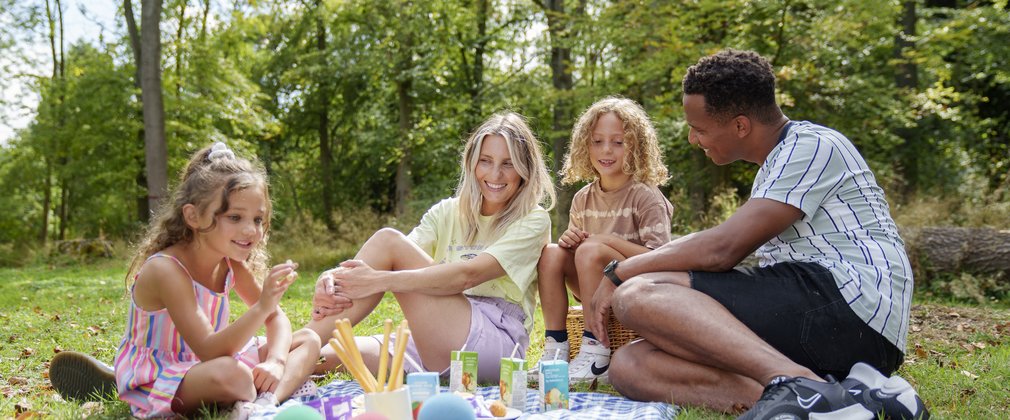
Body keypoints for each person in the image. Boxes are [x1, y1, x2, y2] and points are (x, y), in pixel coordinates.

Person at [588, 50, 928, 420]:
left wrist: (622, 273)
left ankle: (797, 382)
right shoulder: (776, 164)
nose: (692, 138)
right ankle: (839, 400)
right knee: (631, 365)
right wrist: (630, 269)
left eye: (699, 128)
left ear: (740, 126)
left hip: (852, 308)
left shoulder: (812, 146)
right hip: (814, 310)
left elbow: (722, 249)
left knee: (638, 295)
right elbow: (715, 238)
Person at [50, 142, 321, 418]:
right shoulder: (167, 270)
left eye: (258, 219)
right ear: (193, 216)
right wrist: (262, 306)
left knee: (308, 340)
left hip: (211, 364)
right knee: (233, 374)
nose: (251, 230)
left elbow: (277, 319)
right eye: (235, 217)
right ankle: (242, 397)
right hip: (162, 375)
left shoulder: (231, 264)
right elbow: (209, 350)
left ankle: (266, 404)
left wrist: (276, 360)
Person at [307, 111, 555, 384]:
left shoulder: (533, 220)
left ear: (525, 169)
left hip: (494, 344)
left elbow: (467, 276)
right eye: (485, 161)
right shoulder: (447, 212)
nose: (495, 174)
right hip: (436, 336)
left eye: (508, 164)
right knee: (331, 355)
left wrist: (379, 281)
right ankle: (289, 349)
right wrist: (331, 277)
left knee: (387, 239)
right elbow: (390, 258)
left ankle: (299, 345)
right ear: (472, 163)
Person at [534, 96, 673, 382]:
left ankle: (595, 349)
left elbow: (663, 260)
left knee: (592, 249)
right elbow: (581, 253)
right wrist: (572, 242)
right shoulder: (582, 198)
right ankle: (556, 347)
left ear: (636, 147)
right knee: (550, 252)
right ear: (585, 145)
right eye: (597, 141)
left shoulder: (645, 196)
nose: (606, 150)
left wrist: (603, 242)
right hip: (591, 288)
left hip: (635, 286)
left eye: (618, 142)